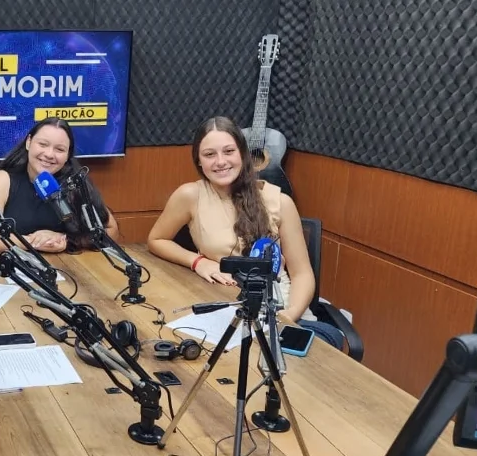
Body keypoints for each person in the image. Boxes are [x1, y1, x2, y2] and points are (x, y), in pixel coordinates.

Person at [147, 116, 344, 349]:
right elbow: (156, 239)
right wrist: (198, 262)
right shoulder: (190, 196)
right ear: (199, 161)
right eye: (209, 154)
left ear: (242, 153)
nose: (220, 161)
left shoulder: (280, 202)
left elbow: (302, 274)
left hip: (283, 309)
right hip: (230, 308)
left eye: (228, 151)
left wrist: (288, 318)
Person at [0, 117, 119, 253]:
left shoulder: (74, 183)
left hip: (67, 269)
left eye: (59, 149)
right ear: (29, 142)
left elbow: (110, 230)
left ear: (67, 155)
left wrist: (66, 240)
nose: (49, 154)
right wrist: (30, 242)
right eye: (43, 144)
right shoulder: (3, 180)